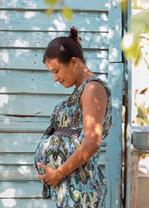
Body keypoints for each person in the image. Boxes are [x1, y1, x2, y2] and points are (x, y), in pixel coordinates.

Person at [34, 27, 112, 207]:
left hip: (81, 191)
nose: (55, 78)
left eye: (56, 70)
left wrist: (59, 172)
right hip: (72, 189)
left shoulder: (92, 89)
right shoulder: (82, 90)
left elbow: (92, 141)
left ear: (74, 62)